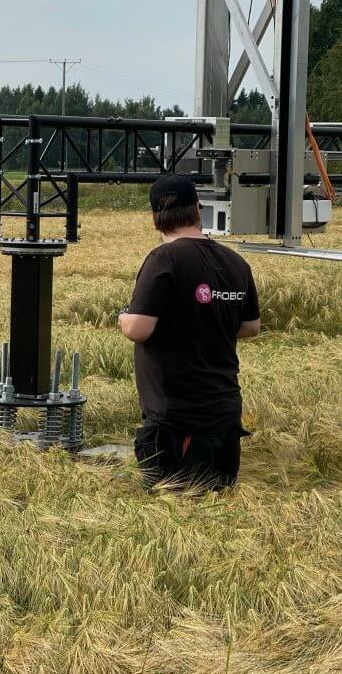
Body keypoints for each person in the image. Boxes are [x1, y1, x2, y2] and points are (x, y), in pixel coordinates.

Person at [117, 174, 260, 491]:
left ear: (156, 219)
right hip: (225, 415)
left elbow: (139, 328)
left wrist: (122, 317)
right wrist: (207, 322)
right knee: (218, 514)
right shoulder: (236, 262)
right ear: (198, 209)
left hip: (176, 421)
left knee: (173, 513)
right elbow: (251, 327)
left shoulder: (163, 259)